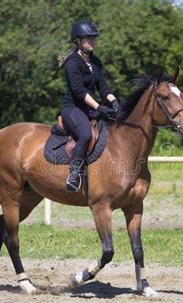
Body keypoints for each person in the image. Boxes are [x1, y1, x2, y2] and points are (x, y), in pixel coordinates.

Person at [59, 21, 120, 192]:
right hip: (73, 109)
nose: (92, 41)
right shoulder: (72, 62)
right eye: (88, 39)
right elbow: (78, 91)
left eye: (94, 38)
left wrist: (114, 102)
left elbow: (103, 87)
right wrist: (99, 107)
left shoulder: (95, 62)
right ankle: (74, 173)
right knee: (85, 134)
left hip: (89, 108)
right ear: (77, 40)